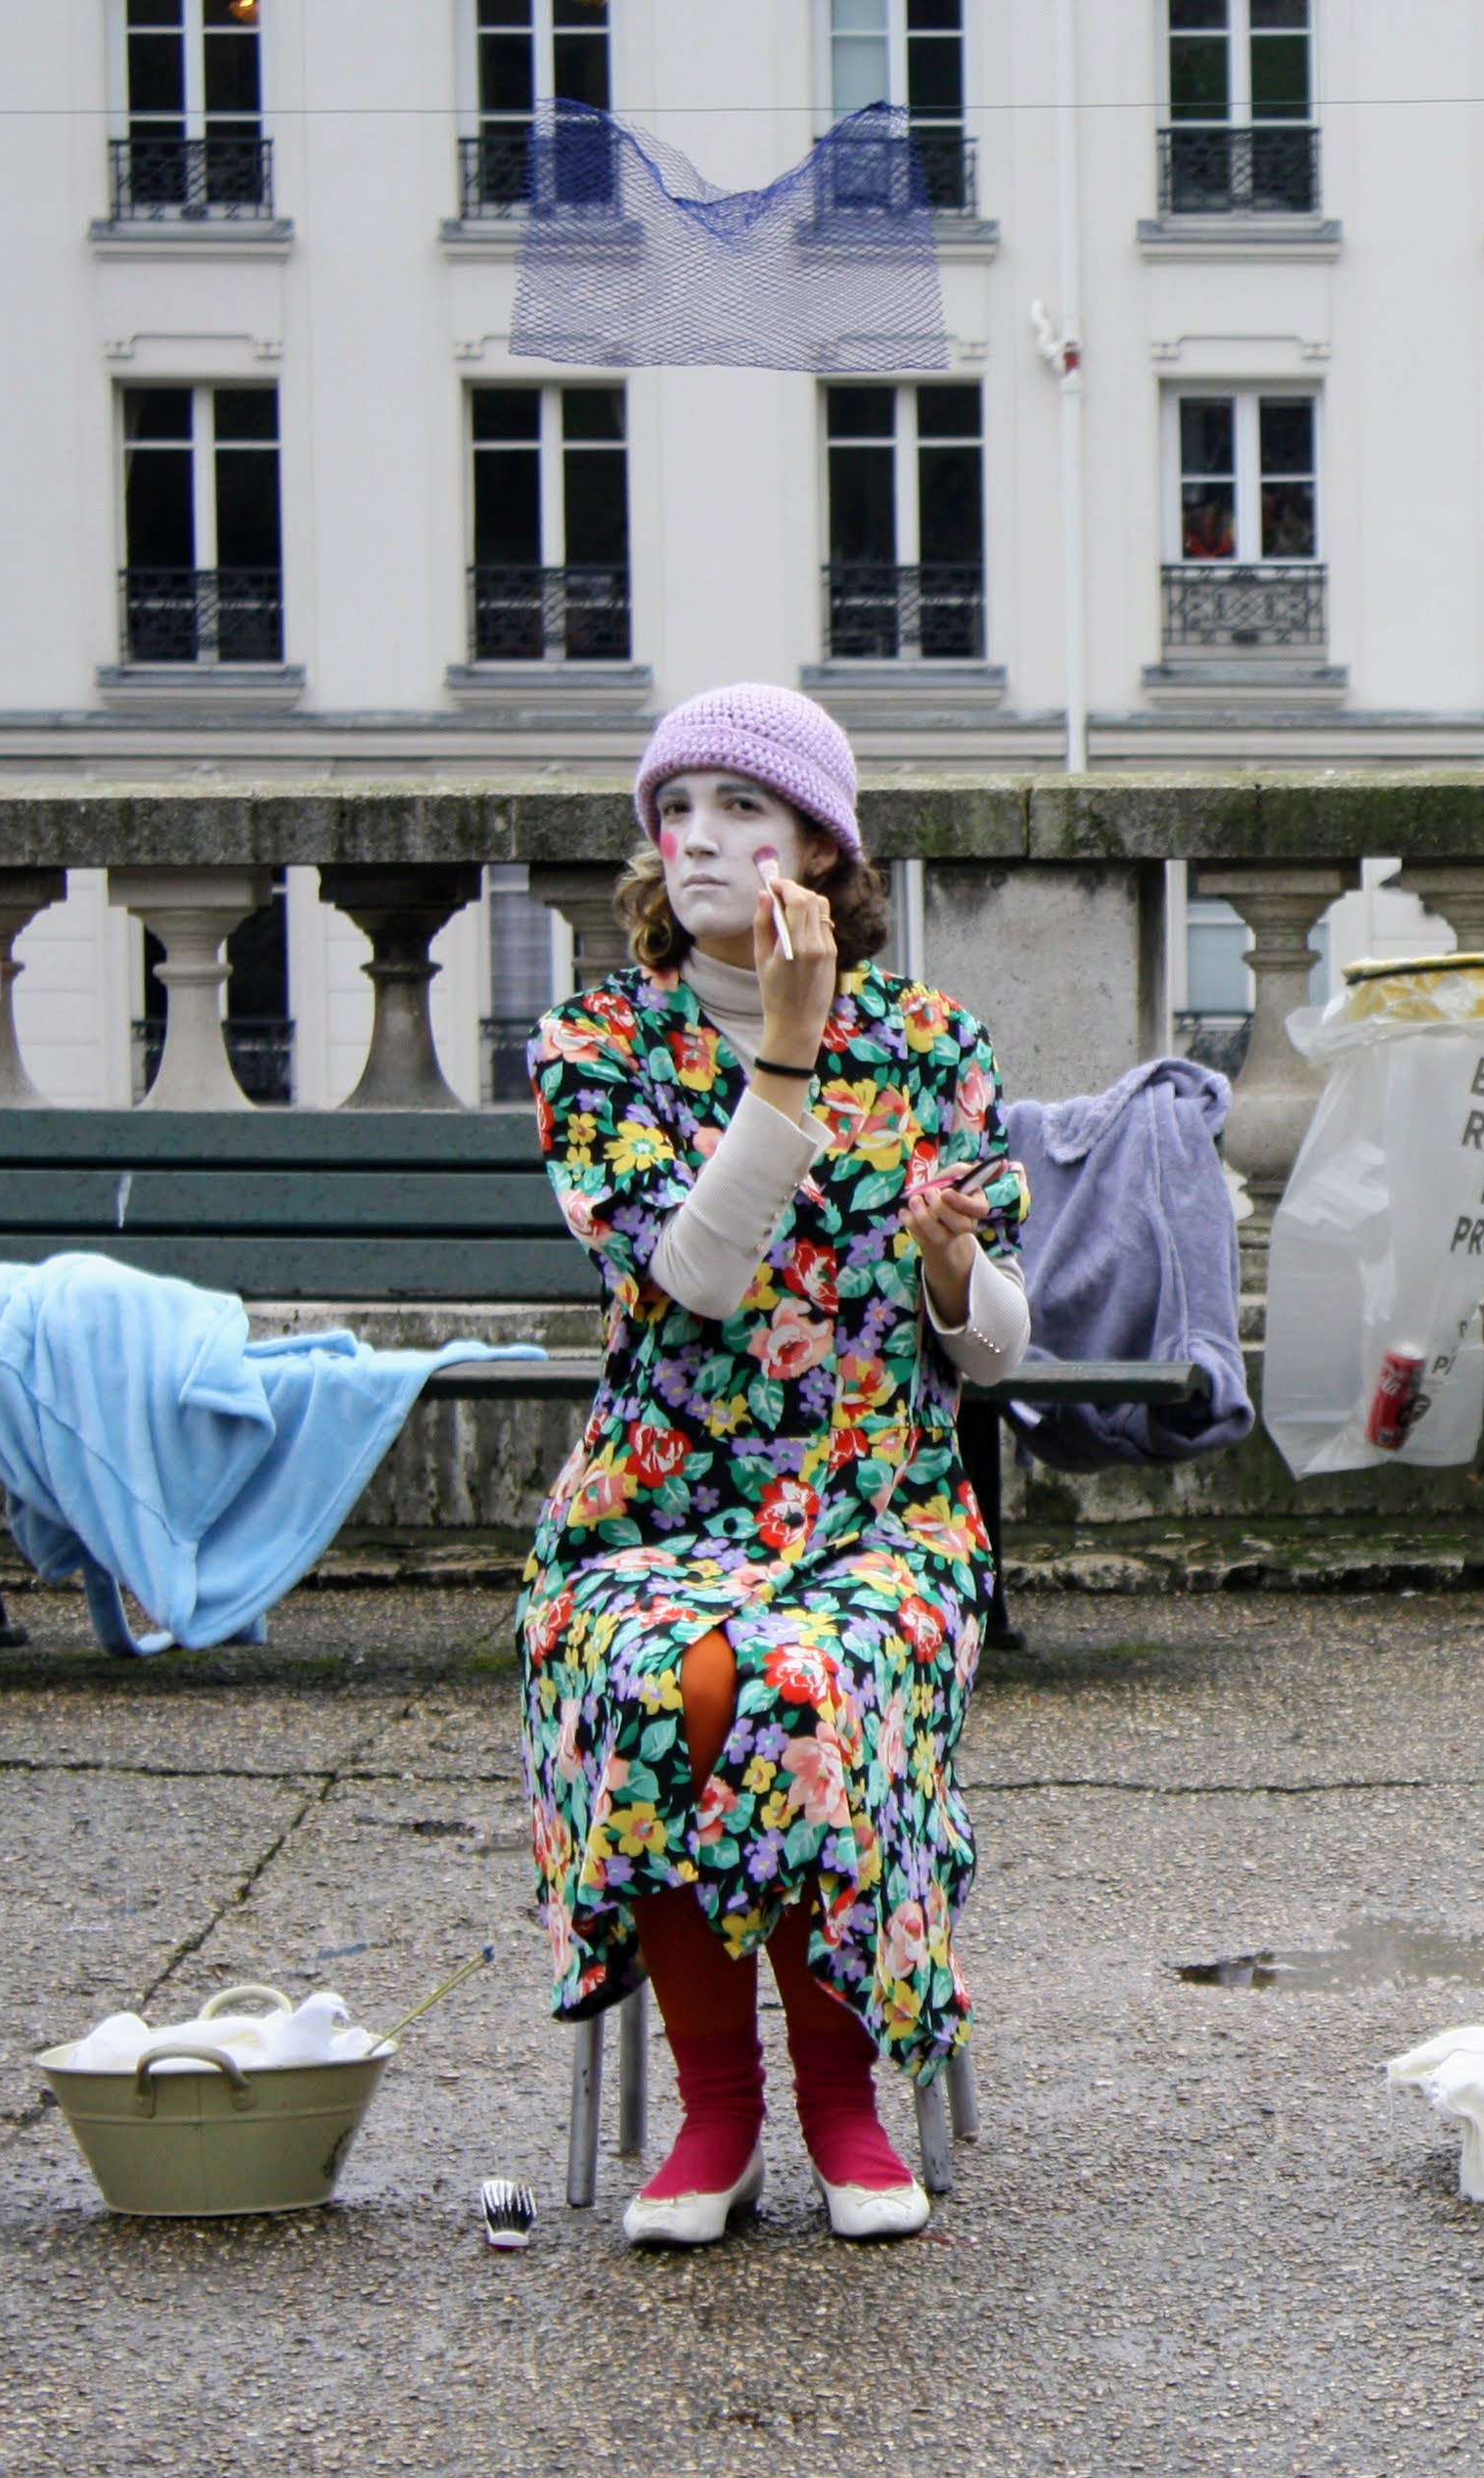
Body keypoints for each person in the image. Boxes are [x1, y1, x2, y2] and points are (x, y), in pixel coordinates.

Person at [517, 683, 1031, 2248]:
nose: (695, 838)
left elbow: (994, 1351)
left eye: (740, 808)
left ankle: (841, 2103)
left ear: (819, 848)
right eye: (673, 809)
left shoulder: (930, 1042)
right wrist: (789, 1061)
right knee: (669, 1678)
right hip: (654, 1514)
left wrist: (950, 1265)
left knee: (807, 1678)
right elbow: (694, 1279)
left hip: (881, 1513)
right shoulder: (596, 1045)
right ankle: (718, 2113)